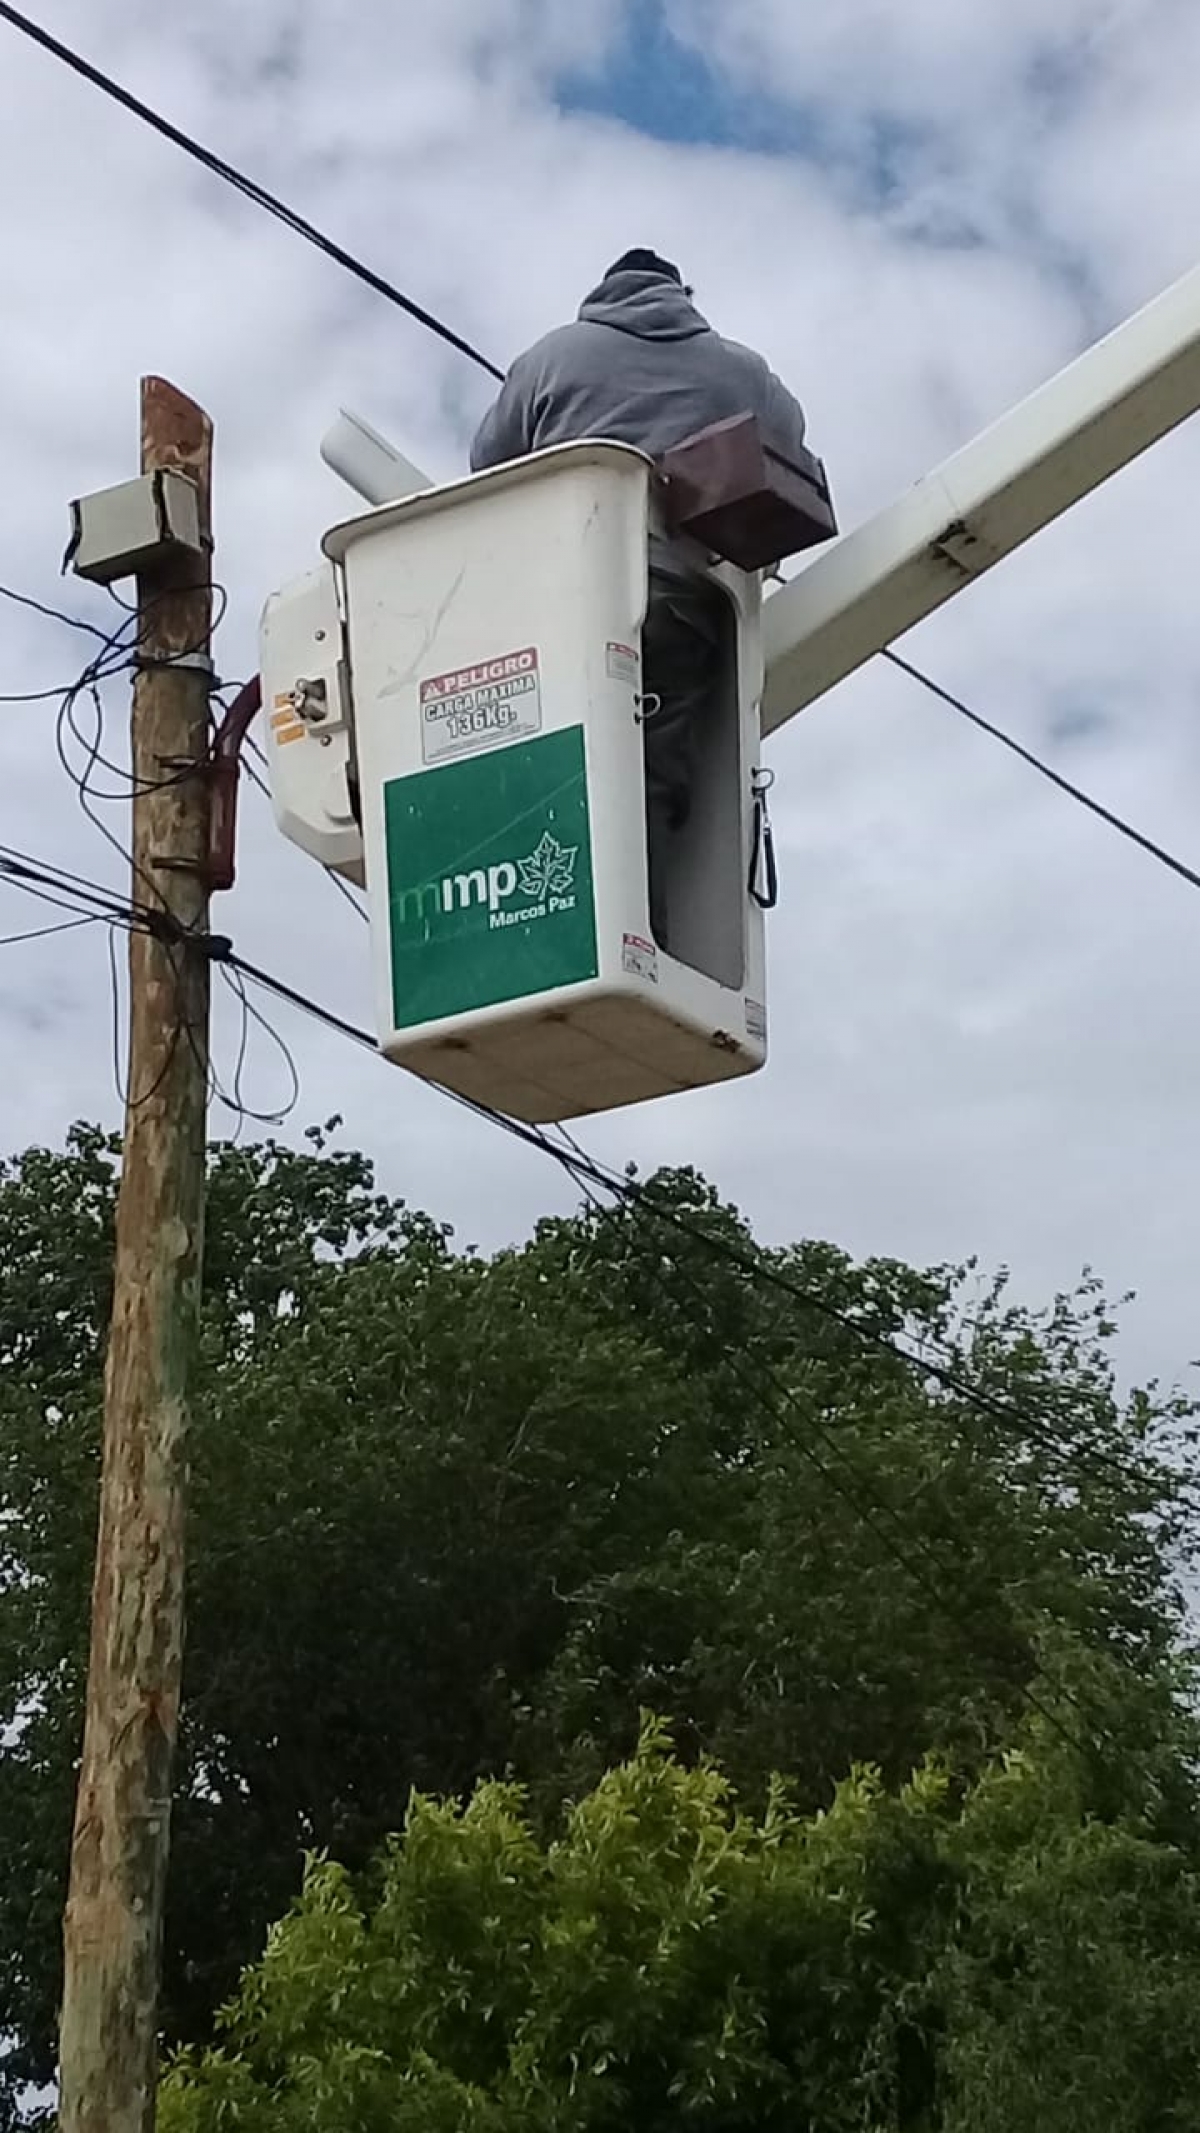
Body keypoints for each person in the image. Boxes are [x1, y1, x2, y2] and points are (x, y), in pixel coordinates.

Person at [469, 248, 809, 949]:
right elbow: (792, 445)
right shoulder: (741, 370)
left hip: (568, 602)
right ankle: (636, 943)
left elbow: (486, 468)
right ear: (683, 293)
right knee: (649, 773)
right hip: (686, 601)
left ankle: (547, 930)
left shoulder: (552, 359)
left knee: (554, 764)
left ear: (602, 294)